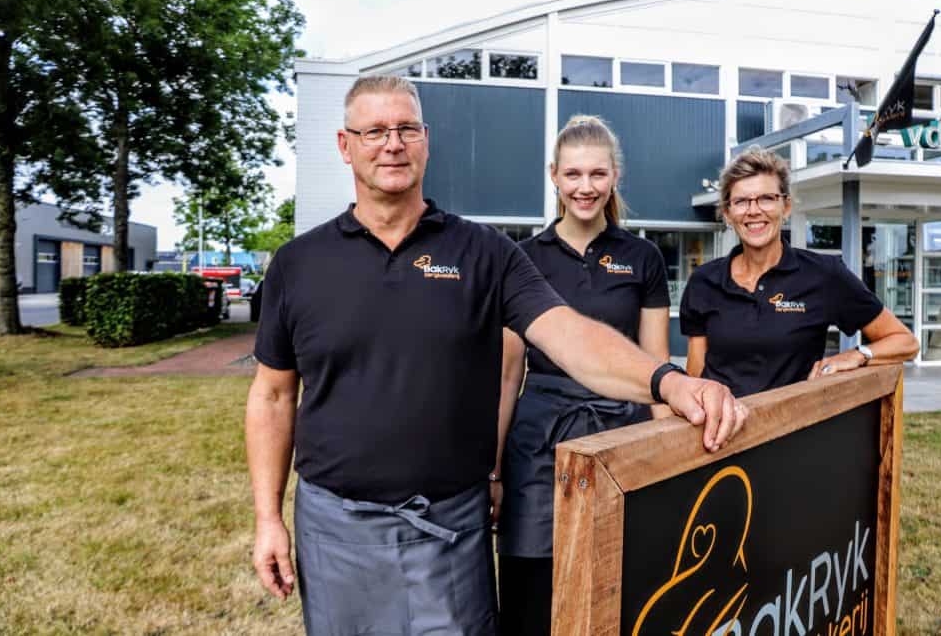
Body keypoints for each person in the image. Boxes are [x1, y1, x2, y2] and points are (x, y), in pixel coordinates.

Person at [245, 75, 748, 636]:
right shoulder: (298, 264)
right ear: (345, 145)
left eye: (407, 129)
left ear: (427, 141)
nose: (393, 143)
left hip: (450, 527)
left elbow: (570, 335)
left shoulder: (485, 253)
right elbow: (271, 395)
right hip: (336, 528)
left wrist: (669, 382)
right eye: (375, 131)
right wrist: (268, 517)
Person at [494, 115, 673, 636]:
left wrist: (665, 457)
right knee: (531, 584)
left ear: (615, 176)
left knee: (621, 576)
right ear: (554, 175)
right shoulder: (520, 258)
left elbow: (654, 363)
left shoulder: (643, 257)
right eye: (573, 174)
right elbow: (508, 373)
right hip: (537, 442)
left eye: (597, 174)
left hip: (623, 431)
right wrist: (493, 470)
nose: (585, 187)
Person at [680, 146, 919, 398]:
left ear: (786, 206)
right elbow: (696, 373)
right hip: (720, 431)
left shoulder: (824, 275)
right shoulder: (703, 281)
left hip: (793, 431)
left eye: (766, 198)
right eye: (741, 201)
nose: (753, 210)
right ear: (728, 213)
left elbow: (905, 342)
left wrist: (857, 355)